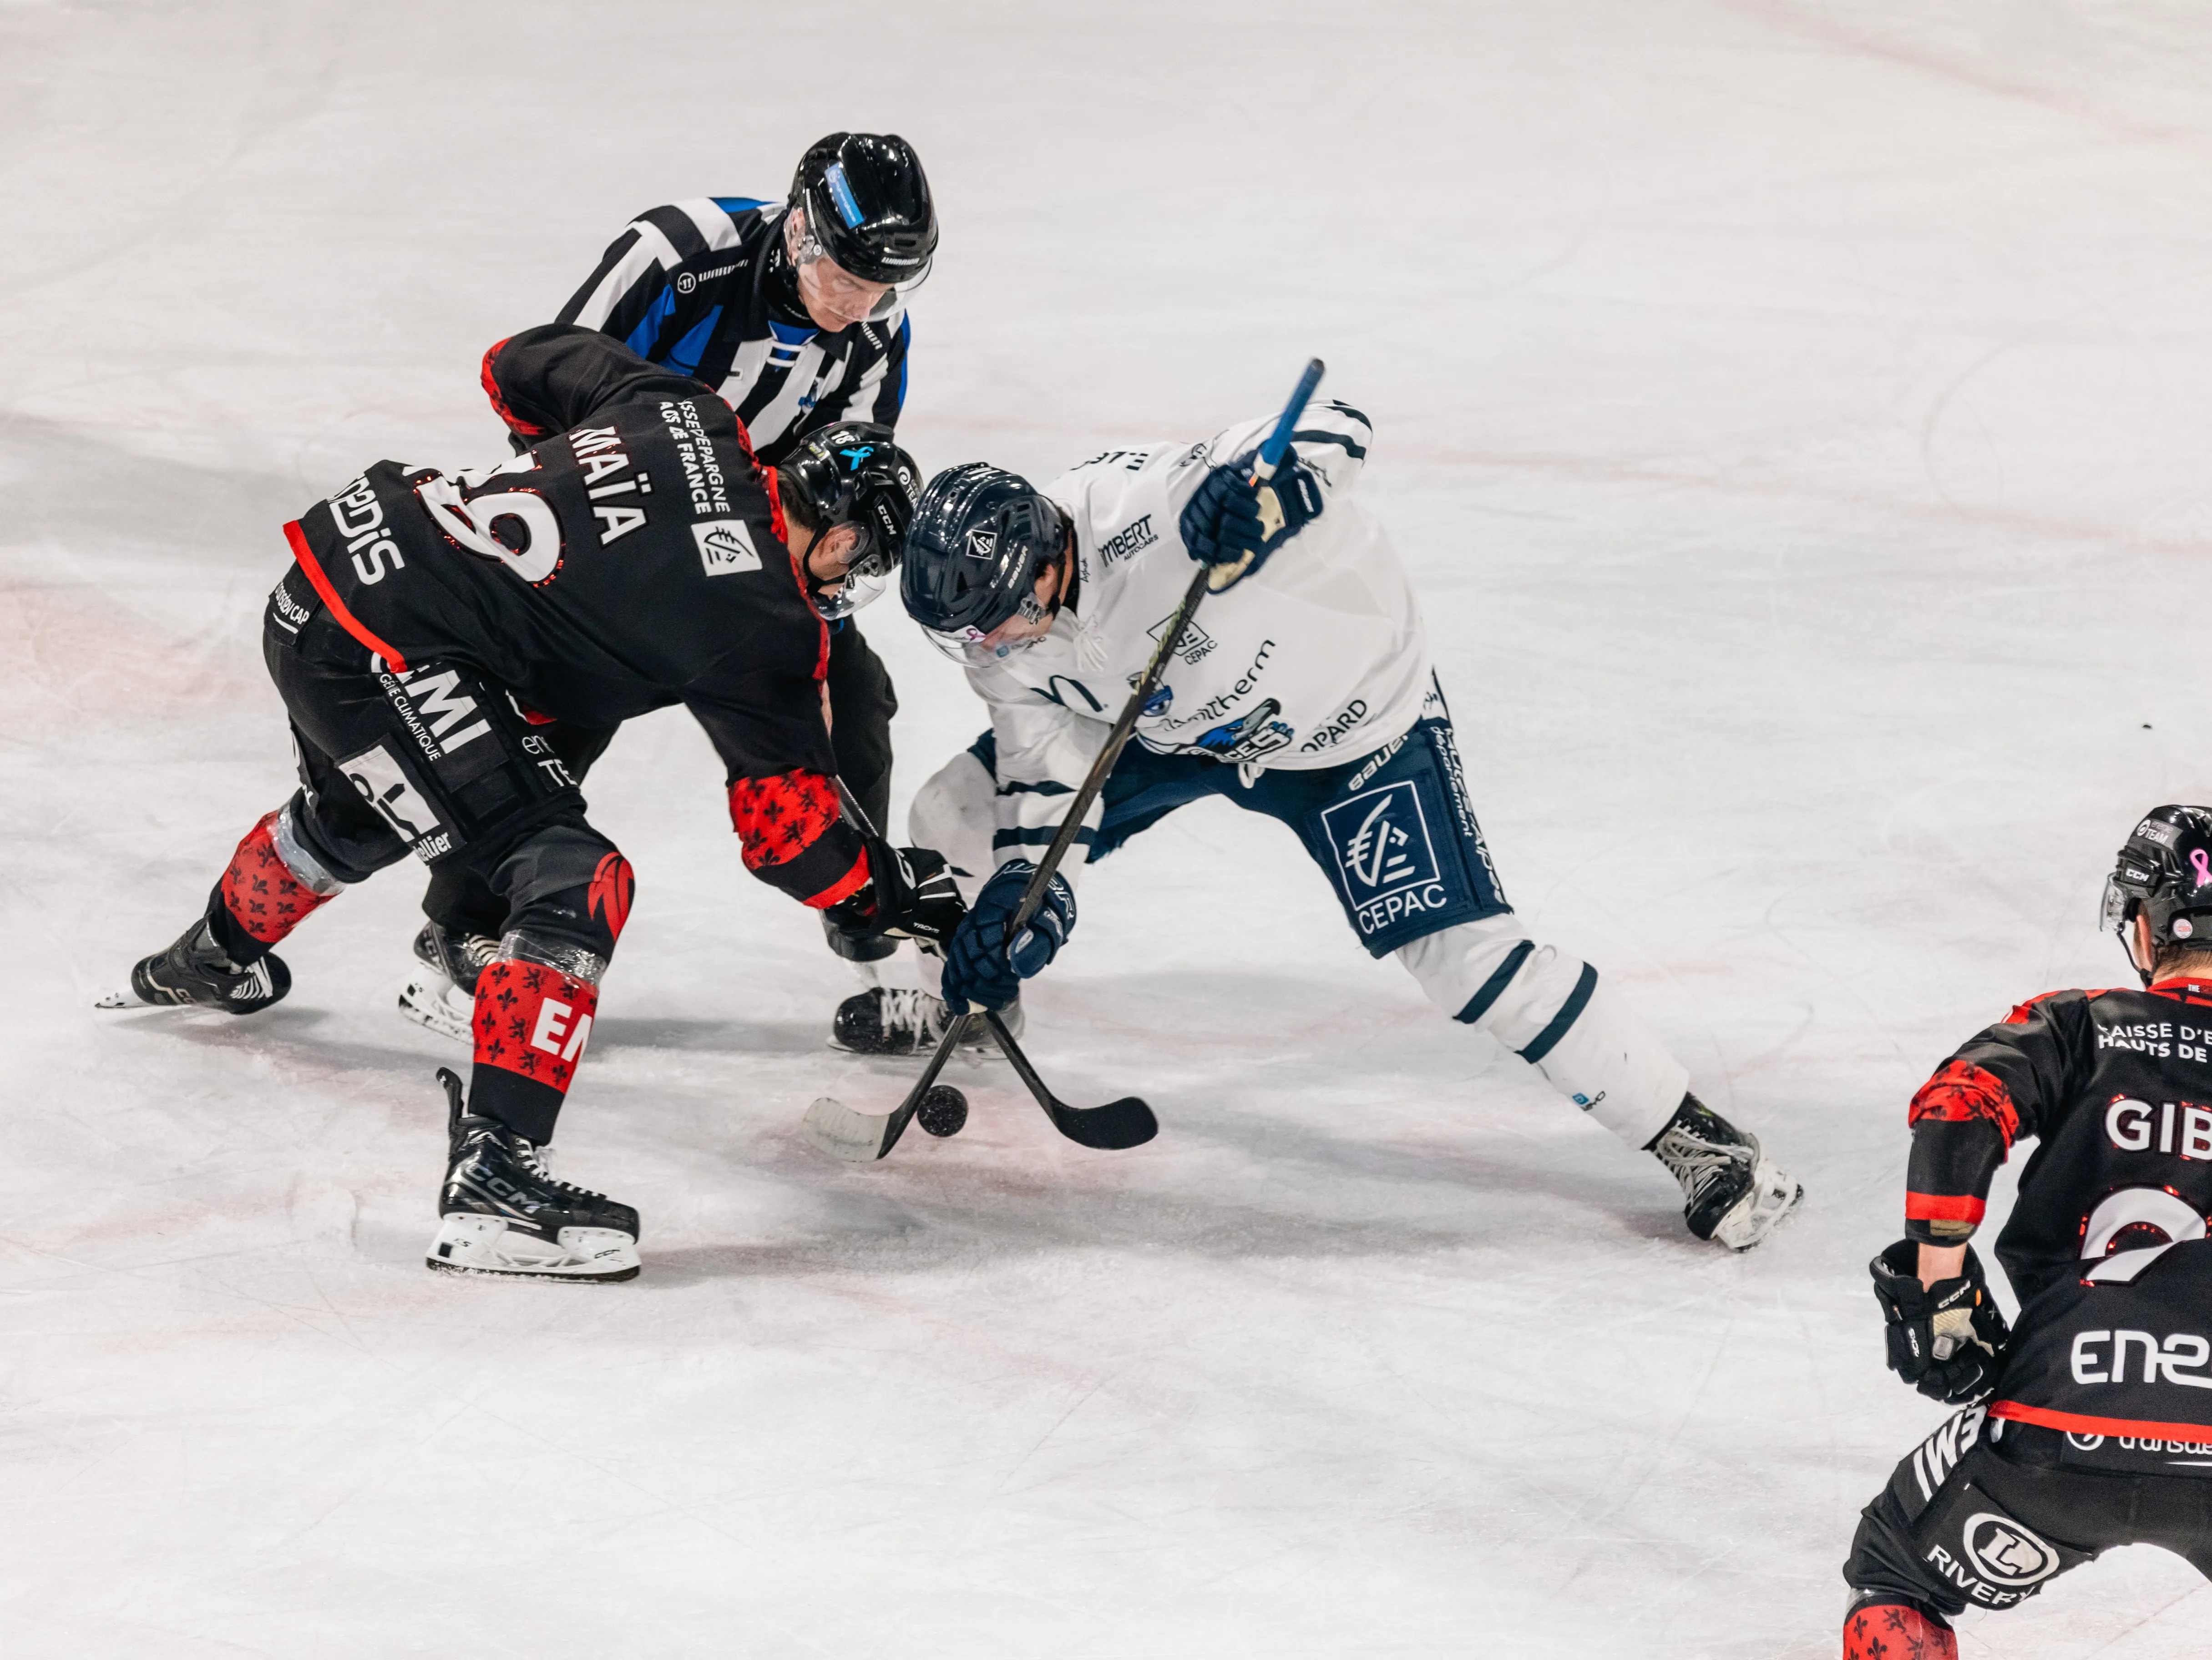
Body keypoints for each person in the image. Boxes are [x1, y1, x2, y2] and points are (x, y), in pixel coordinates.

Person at [100, 324, 956, 1281]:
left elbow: (515, 362)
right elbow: (788, 838)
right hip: (385, 648)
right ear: (838, 537)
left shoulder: (691, 415)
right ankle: (495, 1185)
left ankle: (212, 957)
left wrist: (565, 515)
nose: (849, 585)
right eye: (860, 564)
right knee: (573, 879)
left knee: (374, 808)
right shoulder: (763, 618)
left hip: (330, 573)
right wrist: (888, 894)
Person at [858, 397, 1803, 1251]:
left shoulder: (1147, 508)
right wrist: (1029, 896)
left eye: (992, 626)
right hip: (1171, 727)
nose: (982, 651)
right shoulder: (997, 642)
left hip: (1353, 731)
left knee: (1466, 962)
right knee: (953, 813)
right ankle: (976, 1007)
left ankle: (1694, 1138)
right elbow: (1040, 764)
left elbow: (1337, 426)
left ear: (1042, 567)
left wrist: (1267, 500)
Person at [400, 132, 937, 1037]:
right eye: (849, 277)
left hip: (760, 546)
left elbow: (845, 470)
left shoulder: (878, 332)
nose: (864, 304)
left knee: (853, 695)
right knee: (569, 705)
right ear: (801, 230)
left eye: (885, 287)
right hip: (612, 524)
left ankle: (859, 898)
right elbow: (553, 377)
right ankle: (463, 923)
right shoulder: (679, 254)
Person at [1842, 804, 2212, 1657]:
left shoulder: (2085, 1024)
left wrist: (1940, 1285)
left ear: (2147, 924)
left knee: (1895, 1583)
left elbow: (1957, 1109)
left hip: (2059, 1414)